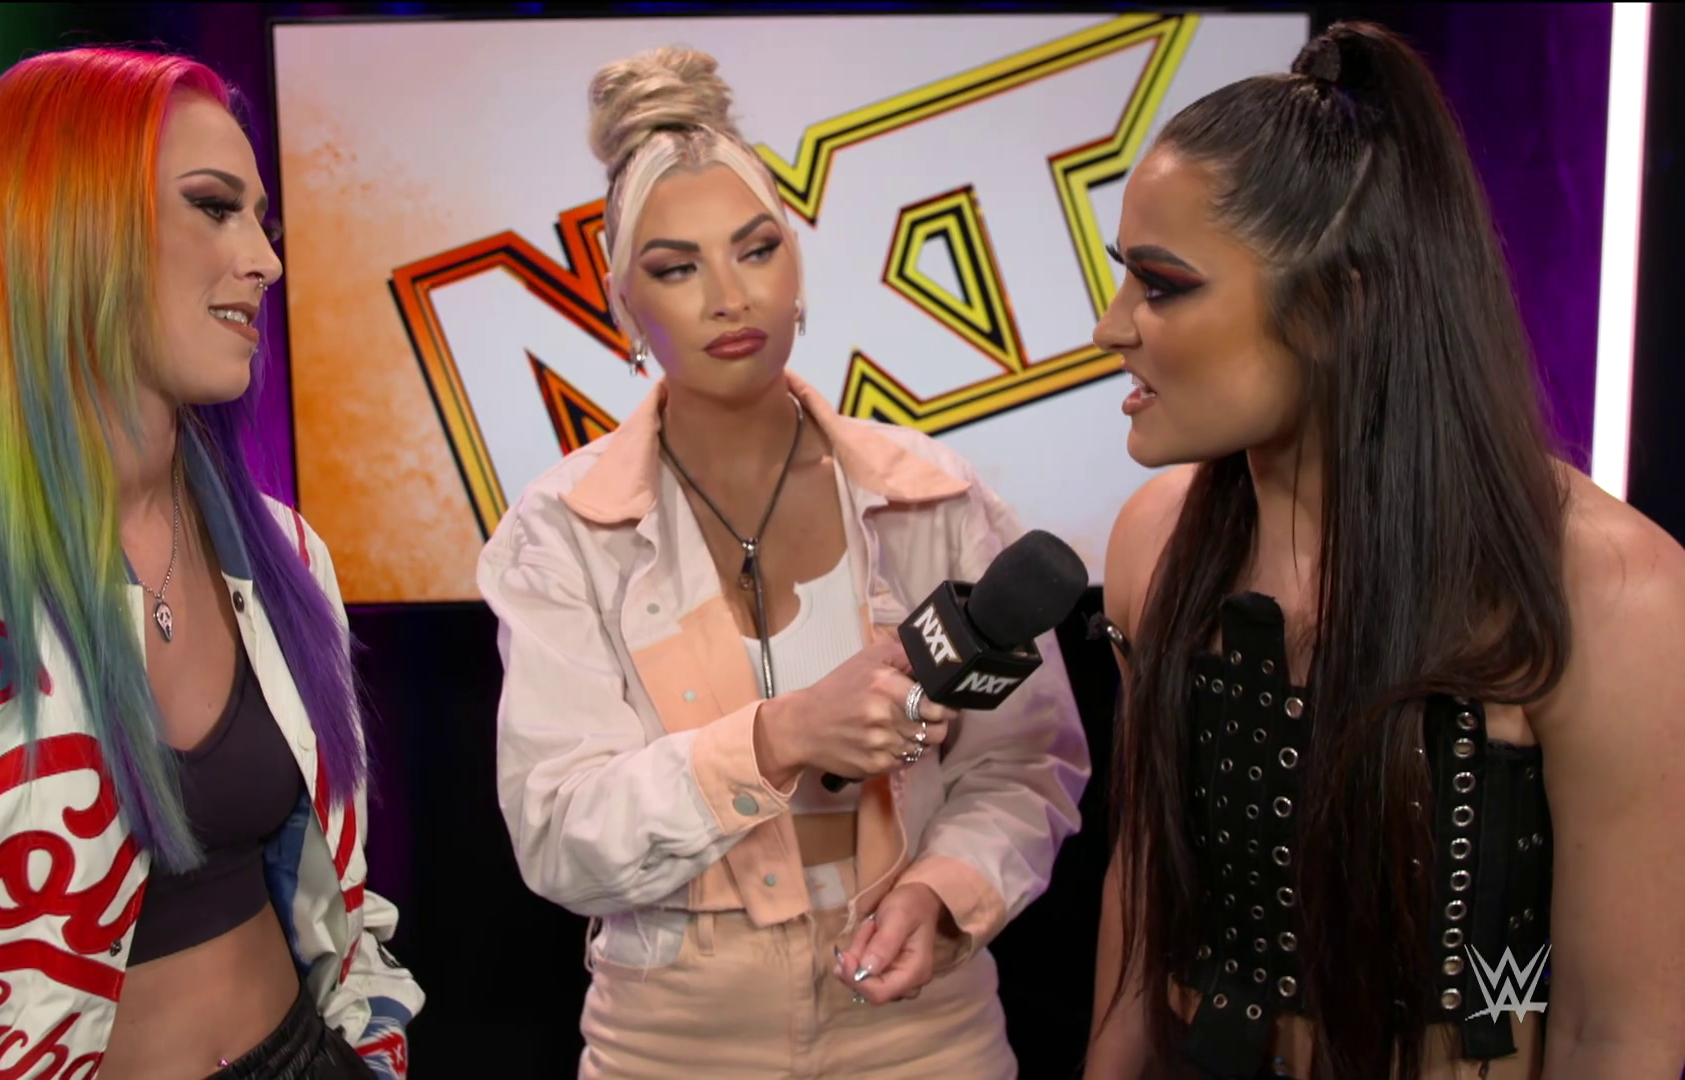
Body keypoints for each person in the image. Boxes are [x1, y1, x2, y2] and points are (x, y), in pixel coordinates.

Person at [0, 47, 422, 1080]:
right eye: (214, 207)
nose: (264, 260)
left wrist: (369, 1046)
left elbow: (335, 900)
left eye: (262, 220)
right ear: (63, 226)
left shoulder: (286, 553)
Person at [1082, 21, 1685, 1080]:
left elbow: (1619, 1034)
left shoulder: (1609, 590)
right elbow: (1142, 903)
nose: (1111, 326)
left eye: (1162, 284)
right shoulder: (1154, 542)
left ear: (1339, 303)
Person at [476, 44, 1091, 1079]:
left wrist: (943, 891)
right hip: (672, 1036)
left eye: (756, 250)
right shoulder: (561, 531)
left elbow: (1027, 764)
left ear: (797, 269)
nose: (730, 295)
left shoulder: (933, 496)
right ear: (624, 305)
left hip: (923, 1026)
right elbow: (559, 834)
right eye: (677, 268)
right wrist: (782, 735)